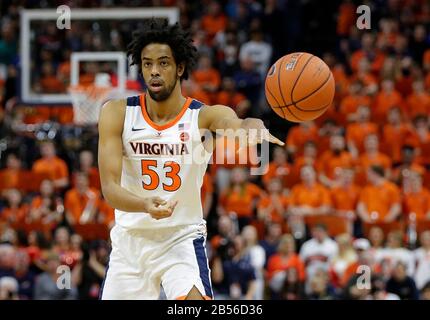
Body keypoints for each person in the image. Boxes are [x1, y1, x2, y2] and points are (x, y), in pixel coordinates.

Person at [98, 19, 283, 300]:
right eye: (147, 64)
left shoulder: (202, 116)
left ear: (180, 67)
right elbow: (110, 189)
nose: (154, 71)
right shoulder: (117, 113)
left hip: (180, 238)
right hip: (130, 242)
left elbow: (232, 122)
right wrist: (144, 204)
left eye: (163, 63)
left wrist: (251, 126)